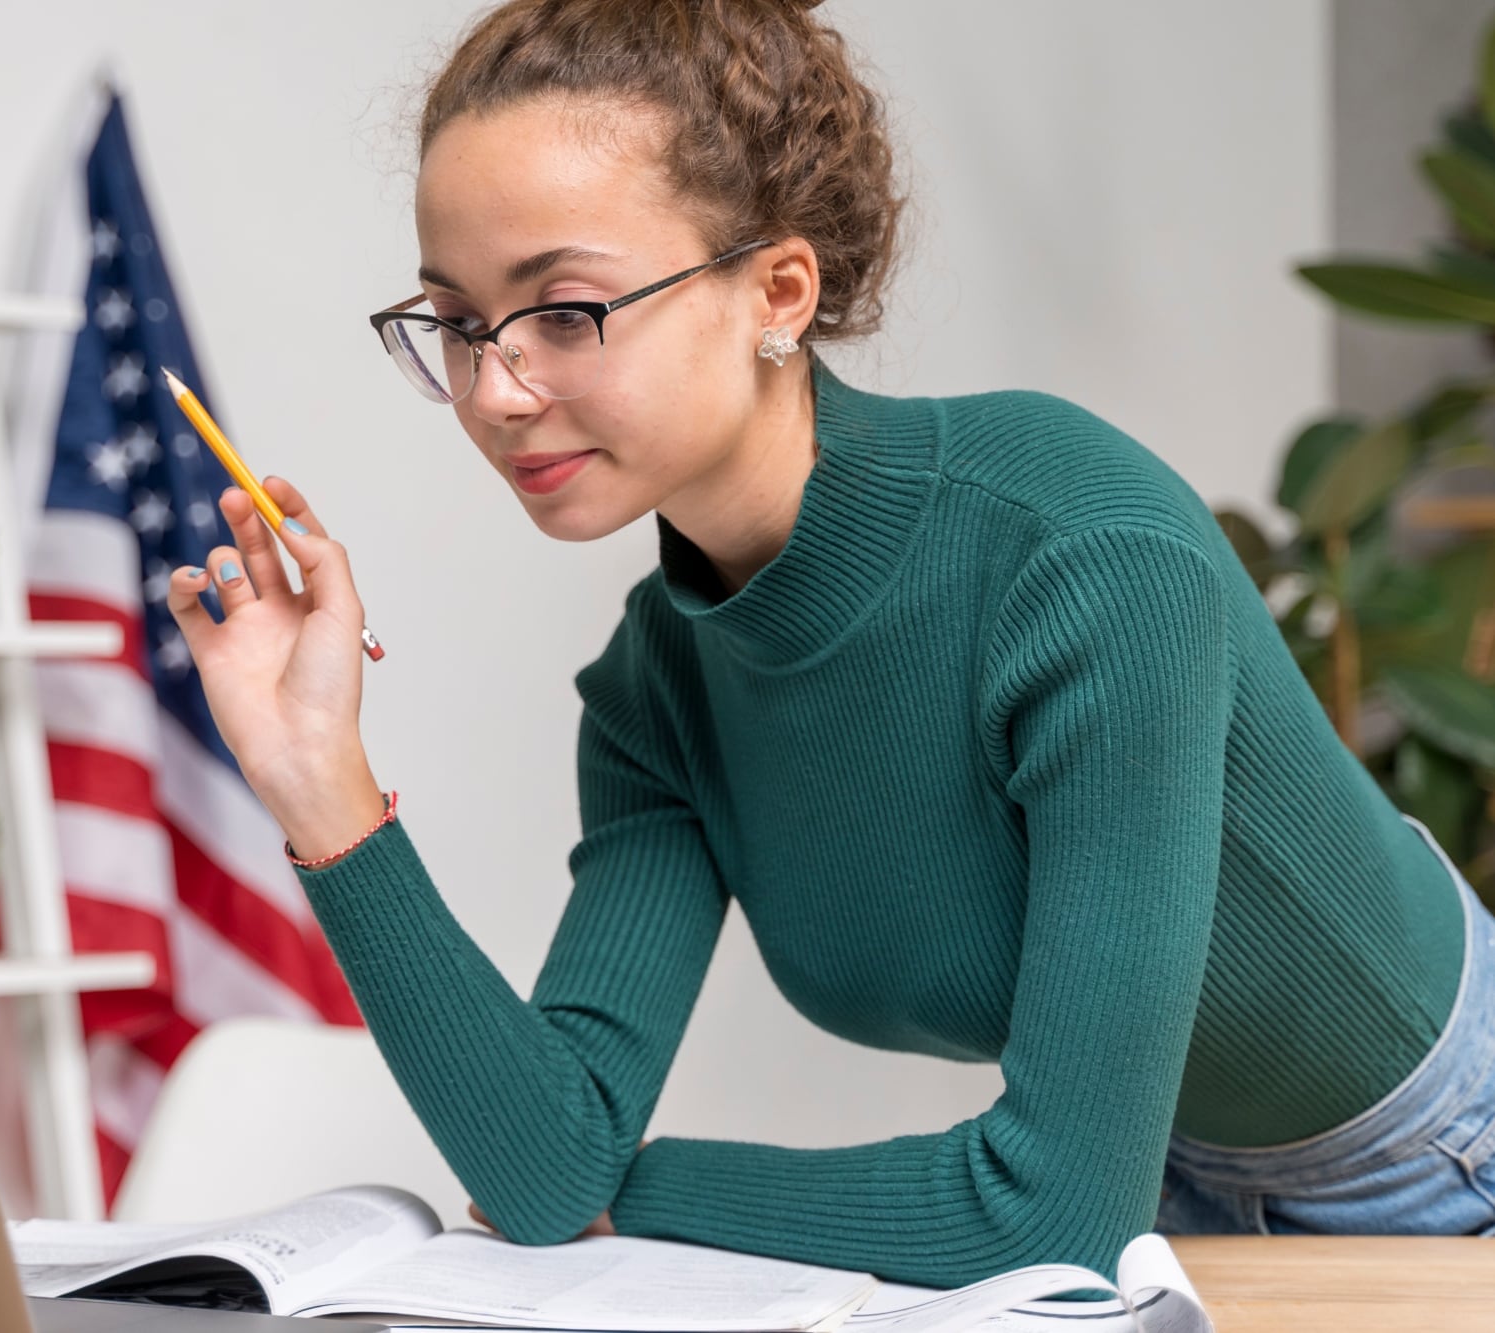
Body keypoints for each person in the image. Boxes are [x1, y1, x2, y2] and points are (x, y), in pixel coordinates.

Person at [163, 0, 1495, 1289]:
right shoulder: (654, 689)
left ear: (777, 291)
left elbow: (1045, 1209)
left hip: (1443, 1160)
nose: (497, 389)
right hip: (1163, 1179)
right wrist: (315, 776)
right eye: (457, 322)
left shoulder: (1078, 548)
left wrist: (635, 1187)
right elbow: (542, 1163)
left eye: (565, 310)